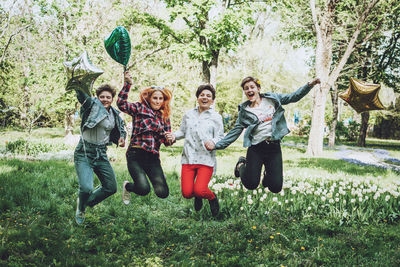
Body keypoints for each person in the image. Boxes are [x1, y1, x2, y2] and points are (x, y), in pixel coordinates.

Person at [206, 76, 320, 193]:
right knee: (251, 184)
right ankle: (241, 164)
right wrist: (217, 145)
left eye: (252, 87)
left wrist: (309, 85)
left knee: (275, 188)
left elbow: (293, 97)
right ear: (245, 92)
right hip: (256, 148)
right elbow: (235, 132)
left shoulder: (272, 99)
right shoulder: (245, 112)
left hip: (274, 147)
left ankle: (267, 174)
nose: (249, 90)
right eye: (246, 88)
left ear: (258, 89)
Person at [117, 71, 173, 204]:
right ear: (149, 98)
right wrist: (127, 85)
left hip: (152, 157)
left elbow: (167, 142)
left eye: (161, 99)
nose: (158, 101)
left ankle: (157, 177)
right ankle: (128, 186)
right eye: (155, 98)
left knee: (163, 193)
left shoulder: (164, 117)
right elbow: (121, 104)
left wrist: (170, 138)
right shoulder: (139, 108)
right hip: (136, 154)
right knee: (143, 189)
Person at [73, 84, 126, 225]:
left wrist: (122, 138)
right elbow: (82, 96)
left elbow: (121, 128)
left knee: (111, 187)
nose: (105, 99)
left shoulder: (114, 114)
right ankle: (82, 207)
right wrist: (79, 84)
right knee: (86, 188)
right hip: (84, 152)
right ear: (97, 97)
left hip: (101, 153)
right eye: (102, 96)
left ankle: (83, 202)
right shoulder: (90, 105)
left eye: (108, 97)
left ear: (112, 99)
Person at [169, 84, 224, 217]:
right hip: (189, 158)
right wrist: (173, 136)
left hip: (206, 159)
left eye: (208, 96)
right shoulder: (188, 114)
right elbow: (182, 131)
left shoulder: (216, 117)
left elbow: (220, 136)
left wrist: (213, 142)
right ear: (197, 97)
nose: (205, 97)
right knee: (187, 193)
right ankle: (197, 196)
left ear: (212, 100)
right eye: (202, 95)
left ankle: (211, 198)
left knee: (200, 190)